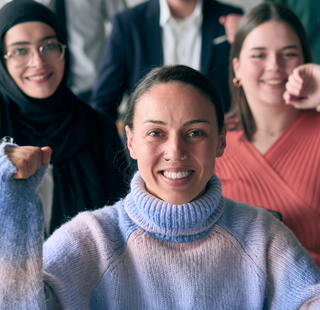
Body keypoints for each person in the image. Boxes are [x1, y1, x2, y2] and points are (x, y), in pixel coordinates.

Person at [1, 64, 320, 310]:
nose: (175, 151)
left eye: (195, 132)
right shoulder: (93, 239)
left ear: (222, 139)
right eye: (156, 132)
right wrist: (11, 199)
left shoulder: (263, 236)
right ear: (131, 141)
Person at [0, 0, 128, 236]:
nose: (38, 62)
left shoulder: (99, 127)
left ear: (63, 48)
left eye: (48, 46)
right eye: (20, 50)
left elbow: (120, 220)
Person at [214, 3, 320, 267]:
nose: (274, 66)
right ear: (237, 67)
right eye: (259, 55)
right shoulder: (209, 139)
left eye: (288, 54)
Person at [90, 0, 244, 120]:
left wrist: (249, 38)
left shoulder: (233, 17)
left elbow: (248, 89)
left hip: (221, 150)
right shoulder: (128, 24)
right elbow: (103, 103)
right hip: (146, 152)